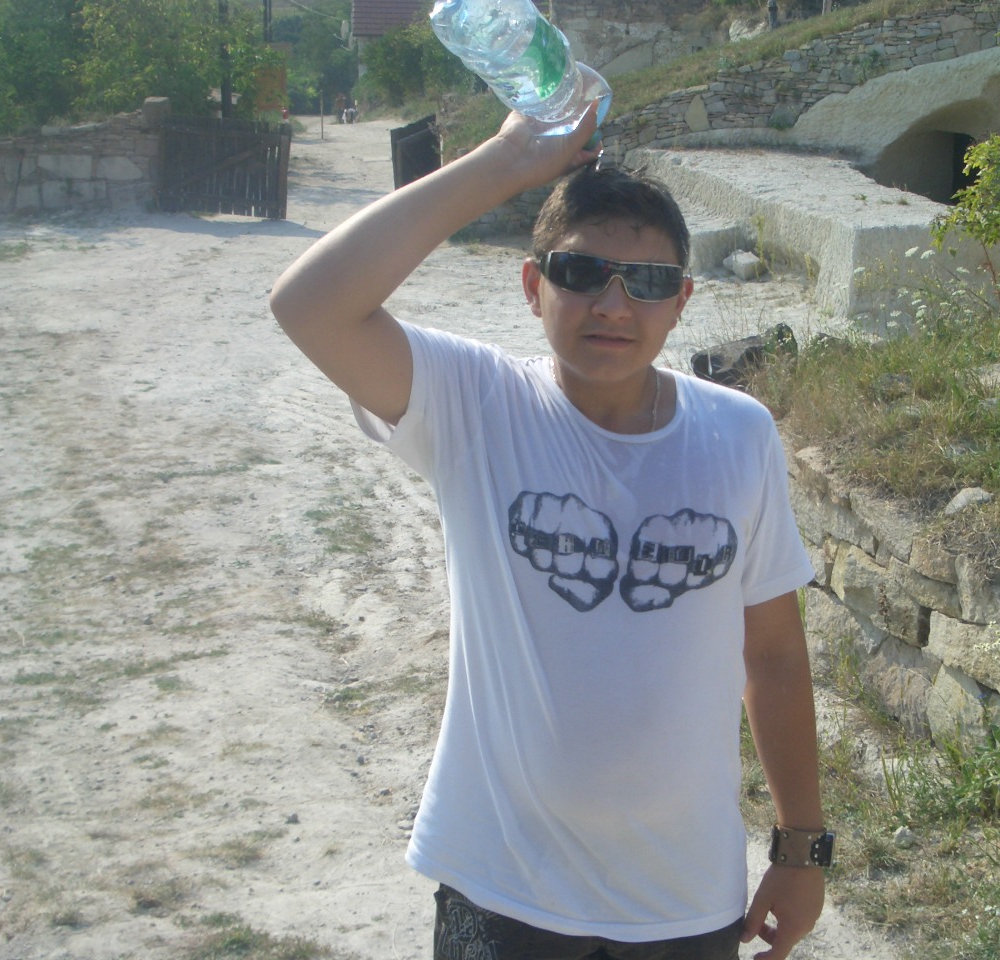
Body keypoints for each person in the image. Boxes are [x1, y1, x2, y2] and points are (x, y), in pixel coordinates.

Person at [270, 101, 829, 960]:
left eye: (647, 282)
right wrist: (504, 163)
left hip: (683, 896)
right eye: (581, 272)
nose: (613, 303)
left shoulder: (739, 434)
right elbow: (310, 304)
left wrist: (800, 849)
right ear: (533, 287)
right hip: (502, 885)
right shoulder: (477, 405)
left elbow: (777, 656)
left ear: (681, 302)